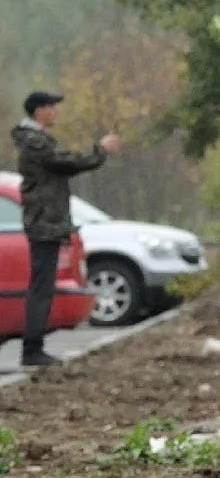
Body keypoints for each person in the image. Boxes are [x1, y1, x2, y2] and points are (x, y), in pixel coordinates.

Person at [9, 91, 120, 366]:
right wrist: (101, 149)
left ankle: (34, 347)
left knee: (43, 286)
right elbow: (71, 161)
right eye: (51, 107)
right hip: (44, 224)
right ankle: (32, 349)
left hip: (47, 222)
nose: (56, 112)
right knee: (41, 287)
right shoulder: (36, 143)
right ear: (38, 111)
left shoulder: (36, 140)